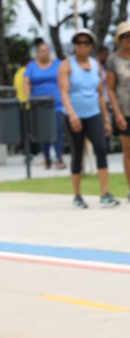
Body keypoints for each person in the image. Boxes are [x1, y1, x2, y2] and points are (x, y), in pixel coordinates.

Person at [58, 28, 118, 208]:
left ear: (91, 45)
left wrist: (106, 118)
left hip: (94, 114)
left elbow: (100, 94)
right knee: (77, 153)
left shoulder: (96, 65)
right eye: (78, 43)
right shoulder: (67, 65)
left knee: (101, 148)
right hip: (74, 115)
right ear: (74, 46)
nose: (82, 46)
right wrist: (72, 114)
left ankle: (105, 193)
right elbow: (64, 92)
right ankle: (77, 195)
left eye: (86, 42)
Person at [23, 41, 66, 169]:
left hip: (56, 104)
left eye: (47, 50)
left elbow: (64, 80)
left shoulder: (58, 64)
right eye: (42, 50)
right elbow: (26, 83)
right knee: (43, 134)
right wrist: (28, 98)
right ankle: (46, 158)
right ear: (37, 53)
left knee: (57, 131)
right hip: (39, 105)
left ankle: (59, 157)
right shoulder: (31, 66)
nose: (45, 53)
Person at [106, 21, 130, 199]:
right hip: (124, 111)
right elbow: (110, 89)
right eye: (125, 36)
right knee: (128, 151)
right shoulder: (113, 59)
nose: (128, 39)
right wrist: (117, 113)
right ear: (120, 39)